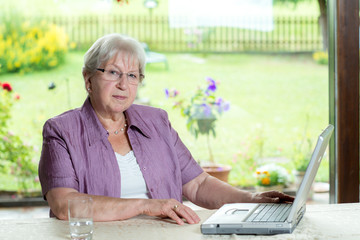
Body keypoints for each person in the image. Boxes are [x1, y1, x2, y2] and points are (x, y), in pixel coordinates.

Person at [38, 33, 294, 225]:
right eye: (113, 72)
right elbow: (64, 204)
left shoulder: (156, 122)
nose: (123, 85)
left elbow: (198, 184)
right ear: (88, 79)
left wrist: (250, 199)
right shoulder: (62, 131)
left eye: (132, 75)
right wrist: (147, 206)